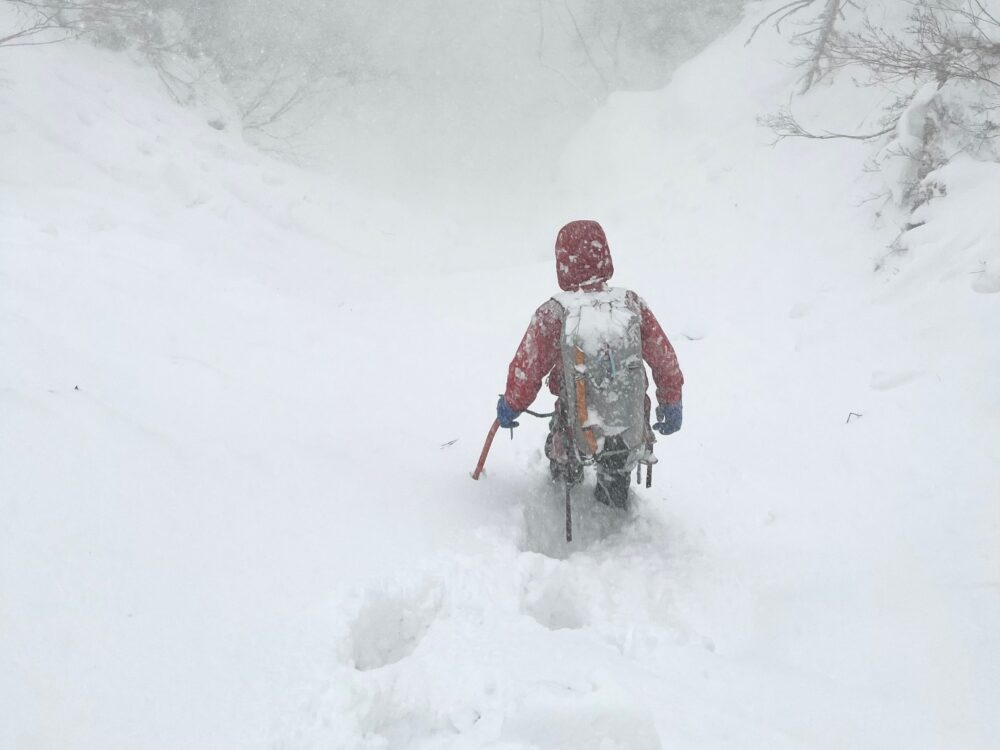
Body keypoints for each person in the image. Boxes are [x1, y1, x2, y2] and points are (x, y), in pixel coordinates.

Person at [496, 220, 684, 508]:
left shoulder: (553, 313)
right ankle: (614, 511)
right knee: (616, 469)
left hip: (575, 425)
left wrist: (512, 404)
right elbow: (664, 359)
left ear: (562, 262)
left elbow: (527, 369)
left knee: (564, 448)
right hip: (627, 422)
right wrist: (671, 401)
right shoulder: (630, 304)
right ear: (604, 255)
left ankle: (563, 486)